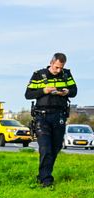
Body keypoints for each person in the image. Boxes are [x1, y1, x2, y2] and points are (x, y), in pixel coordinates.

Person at [25, 52, 77, 187]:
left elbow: (74, 91)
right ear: (51, 63)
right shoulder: (38, 75)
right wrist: (44, 91)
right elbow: (28, 94)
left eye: (61, 67)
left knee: (55, 147)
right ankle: (46, 180)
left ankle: (42, 175)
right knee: (45, 148)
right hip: (42, 116)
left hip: (59, 116)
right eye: (56, 67)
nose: (58, 70)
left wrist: (66, 92)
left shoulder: (66, 74)